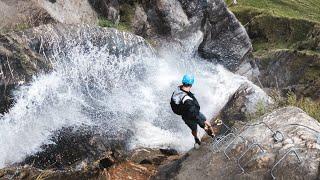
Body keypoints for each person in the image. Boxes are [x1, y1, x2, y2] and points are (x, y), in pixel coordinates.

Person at [170, 74, 215, 146]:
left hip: (185, 116)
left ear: (183, 82)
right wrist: (203, 125)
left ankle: (196, 139)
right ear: (191, 84)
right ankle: (213, 136)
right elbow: (194, 114)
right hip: (193, 114)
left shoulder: (177, 90)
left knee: (194, 129)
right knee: (207, 123)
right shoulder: (187, 100)